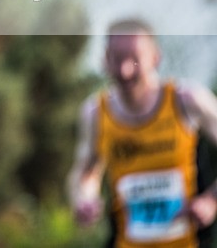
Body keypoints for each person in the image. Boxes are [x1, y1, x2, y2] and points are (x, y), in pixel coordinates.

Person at [67, 18, 217, 247]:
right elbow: (85, 173)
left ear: (155, 57)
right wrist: (84, 199)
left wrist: (211, 201)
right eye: (117, 59)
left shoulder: (187, 100)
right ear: (105, 59)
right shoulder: (95, 113)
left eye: (135, 59)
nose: (125, 70)